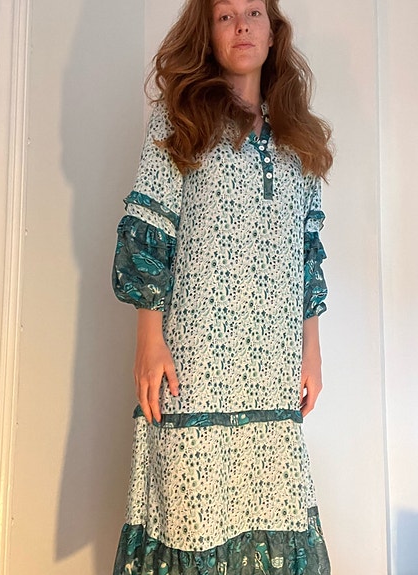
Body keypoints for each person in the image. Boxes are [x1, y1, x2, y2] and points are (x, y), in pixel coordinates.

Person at [112, 0, 333, 573]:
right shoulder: (180, 119)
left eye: (254, 12)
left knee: (274, 516)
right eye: (225, 15)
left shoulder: (299, 137)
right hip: (195, 365)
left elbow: (307, 252)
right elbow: (151, 228)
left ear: (272, 30)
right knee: (189, 517)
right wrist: (148, 339)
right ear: (207, 33)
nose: (241, 26)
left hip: (271, 365)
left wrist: (310, 349)